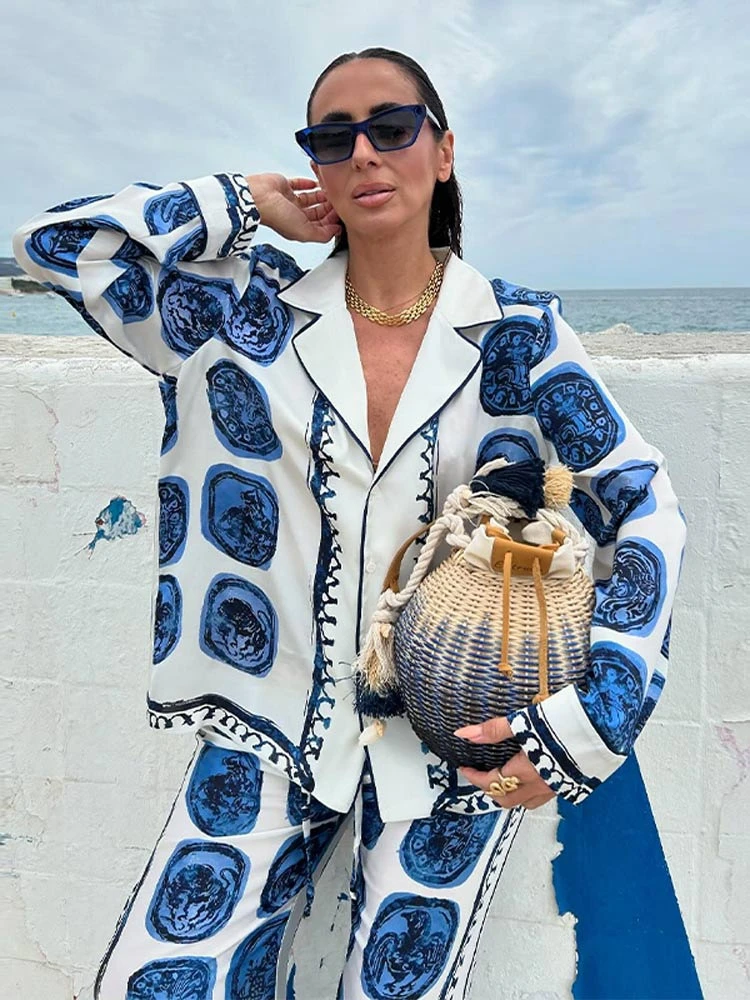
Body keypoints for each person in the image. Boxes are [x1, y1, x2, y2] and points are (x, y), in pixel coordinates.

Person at [13, 46, 686, 1000]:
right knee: (155, 982)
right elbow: (56, 245)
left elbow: (643, 503)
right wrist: (244, 202)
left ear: (442, 152)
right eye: (333, 139)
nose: (364, 152)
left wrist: (584, 726)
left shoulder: (518, 338)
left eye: (392, 128)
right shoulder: (243, 321)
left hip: (452, 745)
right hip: (263, 727)